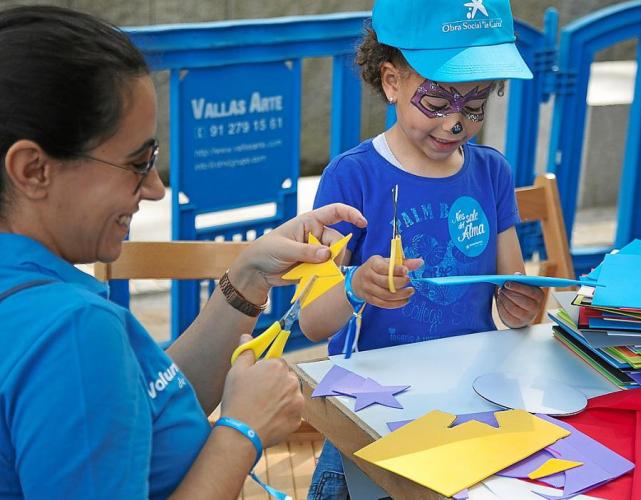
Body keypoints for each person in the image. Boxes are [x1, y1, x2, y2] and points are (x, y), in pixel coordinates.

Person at [0, 6, 367, 499]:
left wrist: (248, 279)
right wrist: (243, 432)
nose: (155, 189)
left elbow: (142, 408)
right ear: (33, 170)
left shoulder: (39, 305)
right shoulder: (73, 332)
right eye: (138, 162)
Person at [300, 0, 546, 497]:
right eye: (437, 101)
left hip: (469, 411)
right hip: (371, 424)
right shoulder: (353, 177)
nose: (456, 124)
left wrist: (524, 306)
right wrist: (355, 286)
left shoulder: (491, 173)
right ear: (392, 81)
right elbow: (310, 320)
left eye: (474, 106)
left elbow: (514, 299)